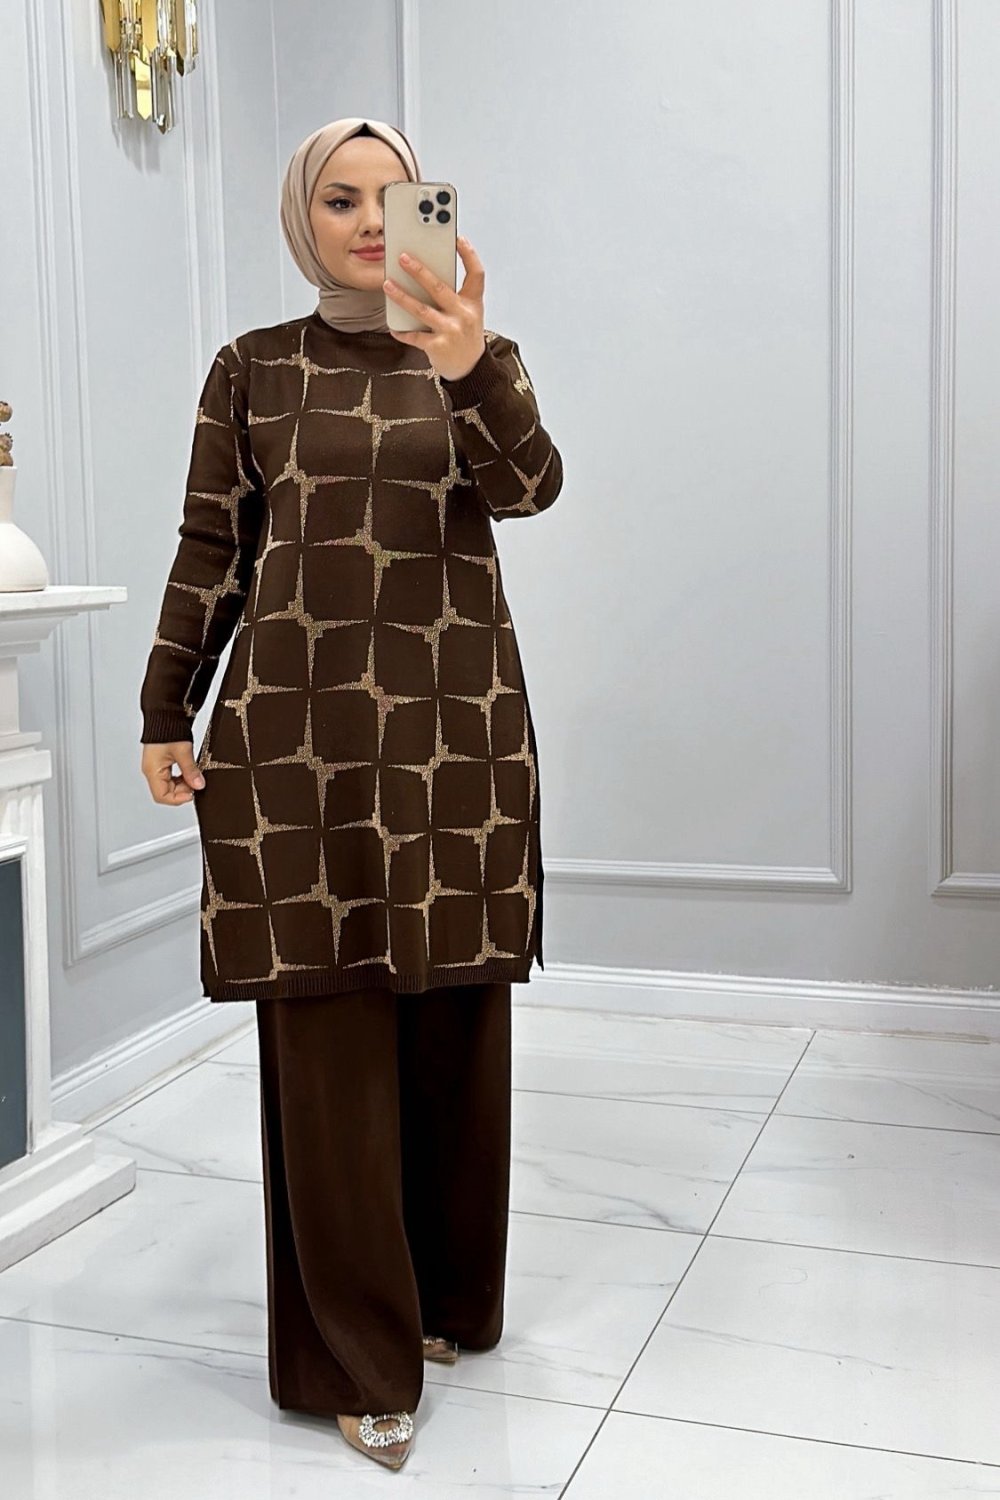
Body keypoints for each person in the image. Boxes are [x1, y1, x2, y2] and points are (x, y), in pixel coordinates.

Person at [138, 116, 563, 1470]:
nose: (373, 222)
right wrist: (165, 705)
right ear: (300, 219)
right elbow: (211, 545)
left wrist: (469, 366)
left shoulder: (478, 358)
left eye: (396, 195)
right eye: (340, 199)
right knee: (325, 1044)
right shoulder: (252, 369)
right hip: (296, 750)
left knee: (454, 1027)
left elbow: (532, 489)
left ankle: (443, 1305)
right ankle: (354, 1359)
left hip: (457, 738)